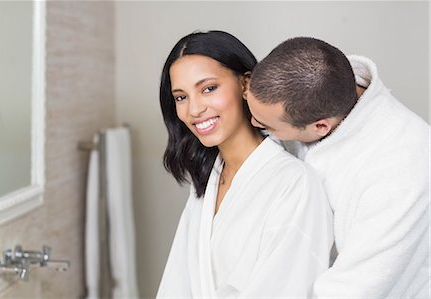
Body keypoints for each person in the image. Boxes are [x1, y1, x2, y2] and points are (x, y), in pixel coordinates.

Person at [246, 37, 430, 298]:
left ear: (321, 126)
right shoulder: (319, 94)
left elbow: (357, 288)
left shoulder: (402, 171)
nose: (252, 123)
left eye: (267, 126)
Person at [156, 31, 333, 298]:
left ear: (246, 84)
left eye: (208, 89)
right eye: (181, 97)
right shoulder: (206, 180)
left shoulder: (293, 183)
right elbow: (178, 281)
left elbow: (288, 288)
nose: (193, 110)